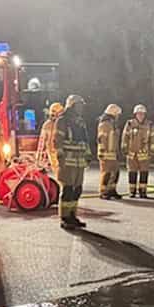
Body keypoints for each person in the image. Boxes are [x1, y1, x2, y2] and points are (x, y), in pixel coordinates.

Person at [56, 94, 91, 229]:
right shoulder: (62, 121)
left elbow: (85, 141)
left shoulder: (80, 122)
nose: (81, 108)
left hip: (79, 161)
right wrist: (60, 156)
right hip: (68, 161)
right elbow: (58, 139)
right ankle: (65, 217)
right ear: (72, 106)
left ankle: (72, 215)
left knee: (77, 189)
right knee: (68, 189)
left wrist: (88, 155)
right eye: (79, 105)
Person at [121, 104, 154, 198]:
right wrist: (124, 148)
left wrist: (152, 152)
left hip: (144, 154)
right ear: (135, 114)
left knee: (144, 173)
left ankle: (143, 191)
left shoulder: (149, 125)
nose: (140, 115)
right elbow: (125, 137)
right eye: (139, 114)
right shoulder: (130, 124)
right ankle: (132, 191)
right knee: (132, 172)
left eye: (142, 114)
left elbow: (153, 139)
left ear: (145, 114)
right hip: (131, 154)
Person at [96, 103, 123, 199]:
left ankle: (112, 190)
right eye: (117, 115)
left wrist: (117, 152)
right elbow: (101, 139)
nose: (118, 117)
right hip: (106, 153)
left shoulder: (112, 124)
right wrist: (103, 152)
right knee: (106, 173)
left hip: (113, 153)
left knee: (115, 172)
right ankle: (103, 191)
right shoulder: (104, 124)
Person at [38, 101, 63, 178]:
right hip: (51, 151)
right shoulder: (47, 125)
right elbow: (42, 142)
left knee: (60, 170)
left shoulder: (62, 124)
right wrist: (39, 157)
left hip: (59, 151)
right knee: (57, 170)